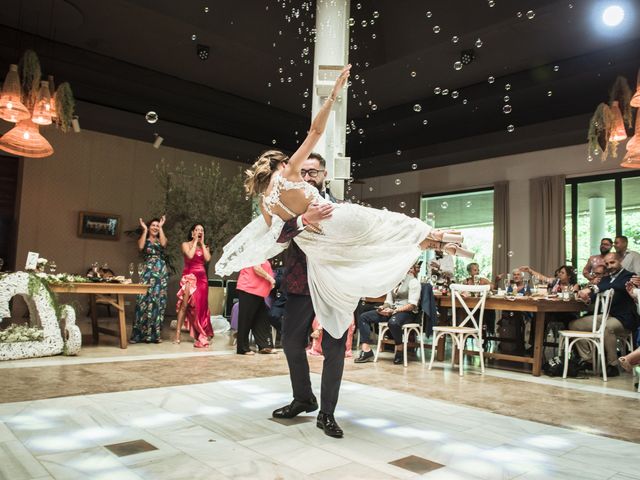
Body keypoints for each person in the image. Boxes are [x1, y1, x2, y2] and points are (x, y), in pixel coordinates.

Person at [215, 66, 469, 435]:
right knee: (290, 340)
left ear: (321, 175)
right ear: (289, 166)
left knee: (336, 340)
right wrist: (304, 221)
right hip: (303, 278)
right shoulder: (279, 196)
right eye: (304, 168)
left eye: (313, 171)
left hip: (338, 270)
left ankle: (327, 413)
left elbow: (354, 236)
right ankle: (304, 398)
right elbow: (277, 237)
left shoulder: (321, 199)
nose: (307, 173)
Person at [572, 253, 640, 377]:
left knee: (606, 327)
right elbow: (592, 296)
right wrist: (586, 296)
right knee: (575, 325)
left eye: (612, 262)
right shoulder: (605, 279)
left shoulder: (629, 276)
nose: (609, 266)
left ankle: (613, 365)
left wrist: (594, 287)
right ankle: (589, 360)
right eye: (607, 264)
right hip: (606, 316)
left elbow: (617, 287)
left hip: (624, 319)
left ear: (620, 261)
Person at [354, 264, 421, 365]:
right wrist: (383, 308)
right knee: (364, 317)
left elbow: (412, 305)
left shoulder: (413, 282)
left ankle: (399, 349)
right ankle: (366, 351)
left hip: (407, 313)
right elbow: (388, 301)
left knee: (393, 323)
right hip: (392, 311)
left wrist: (395, 311)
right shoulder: (393, 282)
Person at [130, 216, 168, 344]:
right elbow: (140, 246)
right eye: (153, 225)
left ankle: (154, 335)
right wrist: (145, 230)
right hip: (147, 271)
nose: (155, 227)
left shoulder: (160, 238)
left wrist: (162, 227)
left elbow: (163, 244)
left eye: (157, 225)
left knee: (157, 302)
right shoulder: (145, 239)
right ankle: (138, 335)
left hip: (160, 271)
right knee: (143, 301)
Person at [176, 223, 213, 348]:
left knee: (201, 306)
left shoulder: (205, 246)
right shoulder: (185, 244)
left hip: (202, 279)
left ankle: (201, 332)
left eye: (202, 230)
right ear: (192, 232)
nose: (200, 231)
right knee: (185, 305)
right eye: (197, 230)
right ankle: (177, 334)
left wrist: (202, 244)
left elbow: (207, 259)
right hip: (189, 278)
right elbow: (190, 255)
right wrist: (195, 240)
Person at [236, 261, 277, 355]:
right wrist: (271, 279)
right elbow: (257, 268)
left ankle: (265, 345)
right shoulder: (255, 252)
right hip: (249, 288)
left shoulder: (262, 253)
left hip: (258, 290)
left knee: (261, 318)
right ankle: (242, 348)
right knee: (246, 319)